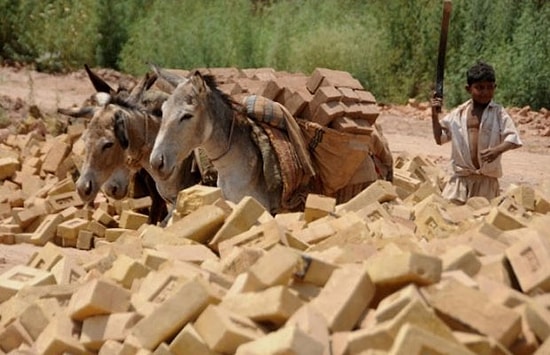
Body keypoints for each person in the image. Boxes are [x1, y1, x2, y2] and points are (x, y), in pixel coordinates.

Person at [431, 61, 522, 204]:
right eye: (479, 88)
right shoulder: (458, 114)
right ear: (468, 89)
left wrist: (497, 150)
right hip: (461, 181)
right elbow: (439, 138)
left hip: (487, 181)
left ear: (495, 88)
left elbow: (513, 138)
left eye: (489, 87)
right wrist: (434, 114)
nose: (485, 92)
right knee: (450, 216)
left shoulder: (498, 113)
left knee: (482, 220)